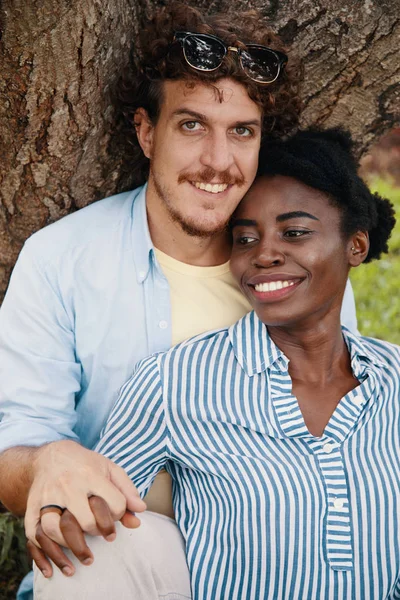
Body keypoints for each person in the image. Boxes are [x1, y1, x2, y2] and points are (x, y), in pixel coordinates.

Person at [0, 2, 355, 596]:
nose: (218, 162)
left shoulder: (298, 269)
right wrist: (44, 462)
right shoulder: (61, 258)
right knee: (105, 544)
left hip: (269, 564)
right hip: (120, 562)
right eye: (192, 125)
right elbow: (13, 441)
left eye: (242, 131)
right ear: (146, 131)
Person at [78, 127, 396, 600]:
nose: (263, 254)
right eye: (245, 239)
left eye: (294, 232)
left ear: (356, 245)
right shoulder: (174, 382)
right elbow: (94, 527)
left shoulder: (393, 378)